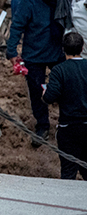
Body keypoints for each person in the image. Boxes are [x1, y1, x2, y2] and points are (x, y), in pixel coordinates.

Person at [6, 0, 69, 146]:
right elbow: (17, 26)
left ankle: (66, 124)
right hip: (34, 53)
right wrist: (11, 51)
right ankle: (42, 125)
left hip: (58, 50)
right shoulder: (28, 1)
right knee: (36, 91)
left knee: (66, 88)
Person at [43, 32, 87, 180]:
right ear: (82, 48)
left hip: (69, 128)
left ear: (63, 49)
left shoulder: (59, 70)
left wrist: (44, 93)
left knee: (68, 172)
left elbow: (49, 97)